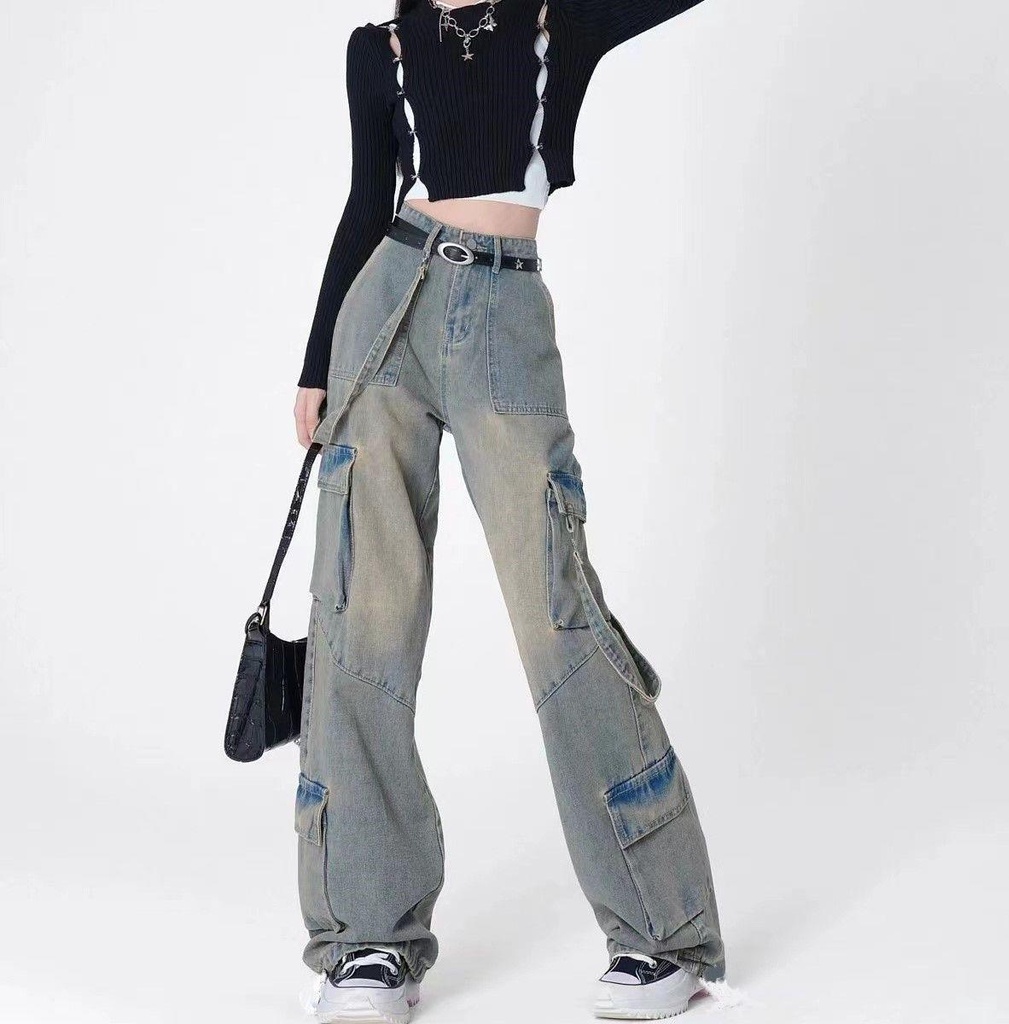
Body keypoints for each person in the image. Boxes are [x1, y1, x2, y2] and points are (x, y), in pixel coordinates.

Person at [292, 2, 730, 1021]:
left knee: (556, 612)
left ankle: (659, 933)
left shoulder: (556, 21)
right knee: (363, 620)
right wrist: (316, 364)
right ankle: (367, 940)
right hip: (382, 316)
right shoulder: (379, 48)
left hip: (502, 313)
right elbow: (366, 201)